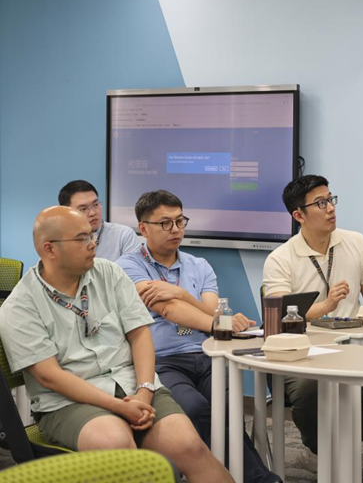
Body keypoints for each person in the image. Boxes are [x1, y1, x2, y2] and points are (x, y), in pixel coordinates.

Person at [0, 206, 231, 483]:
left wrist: (145, 391)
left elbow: (140, 334)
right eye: (82, 239)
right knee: (119, 449)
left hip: (133, 385)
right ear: (50, 249)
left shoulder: (109, 272)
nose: (93, 244)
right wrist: (119, 407)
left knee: (190, 447)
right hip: (68, 403)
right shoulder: (20, 305)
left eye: (92, 235)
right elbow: (50, 376)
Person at [116, 190, 279, 483]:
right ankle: (260, 479)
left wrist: (181, 294)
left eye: (180, 221)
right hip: (162, 361)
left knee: (228, 409)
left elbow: (210, 309)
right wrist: (217, 321)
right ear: (143, 228)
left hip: (205, 355)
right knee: (197, 409)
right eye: (165, 223)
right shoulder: (128, 266)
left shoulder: (199, 265)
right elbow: (168, 309)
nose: (176, 229)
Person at [262, 174, 363, 471]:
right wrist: (326, 306)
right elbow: (280, 314)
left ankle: (334, 450)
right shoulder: (280, 258)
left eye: (330, 199)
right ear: (299, 215)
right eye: (320, 203)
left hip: (352, 347)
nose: (331, 208)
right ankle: (319, 449)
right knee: (309, 389)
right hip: (301, 355)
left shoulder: (356, 242)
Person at [58, 180, 138, 261]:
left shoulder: (123, 235)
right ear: (67, 213)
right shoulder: (59, 241)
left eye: (96, 204)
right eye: (83, 209)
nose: (92, 213)